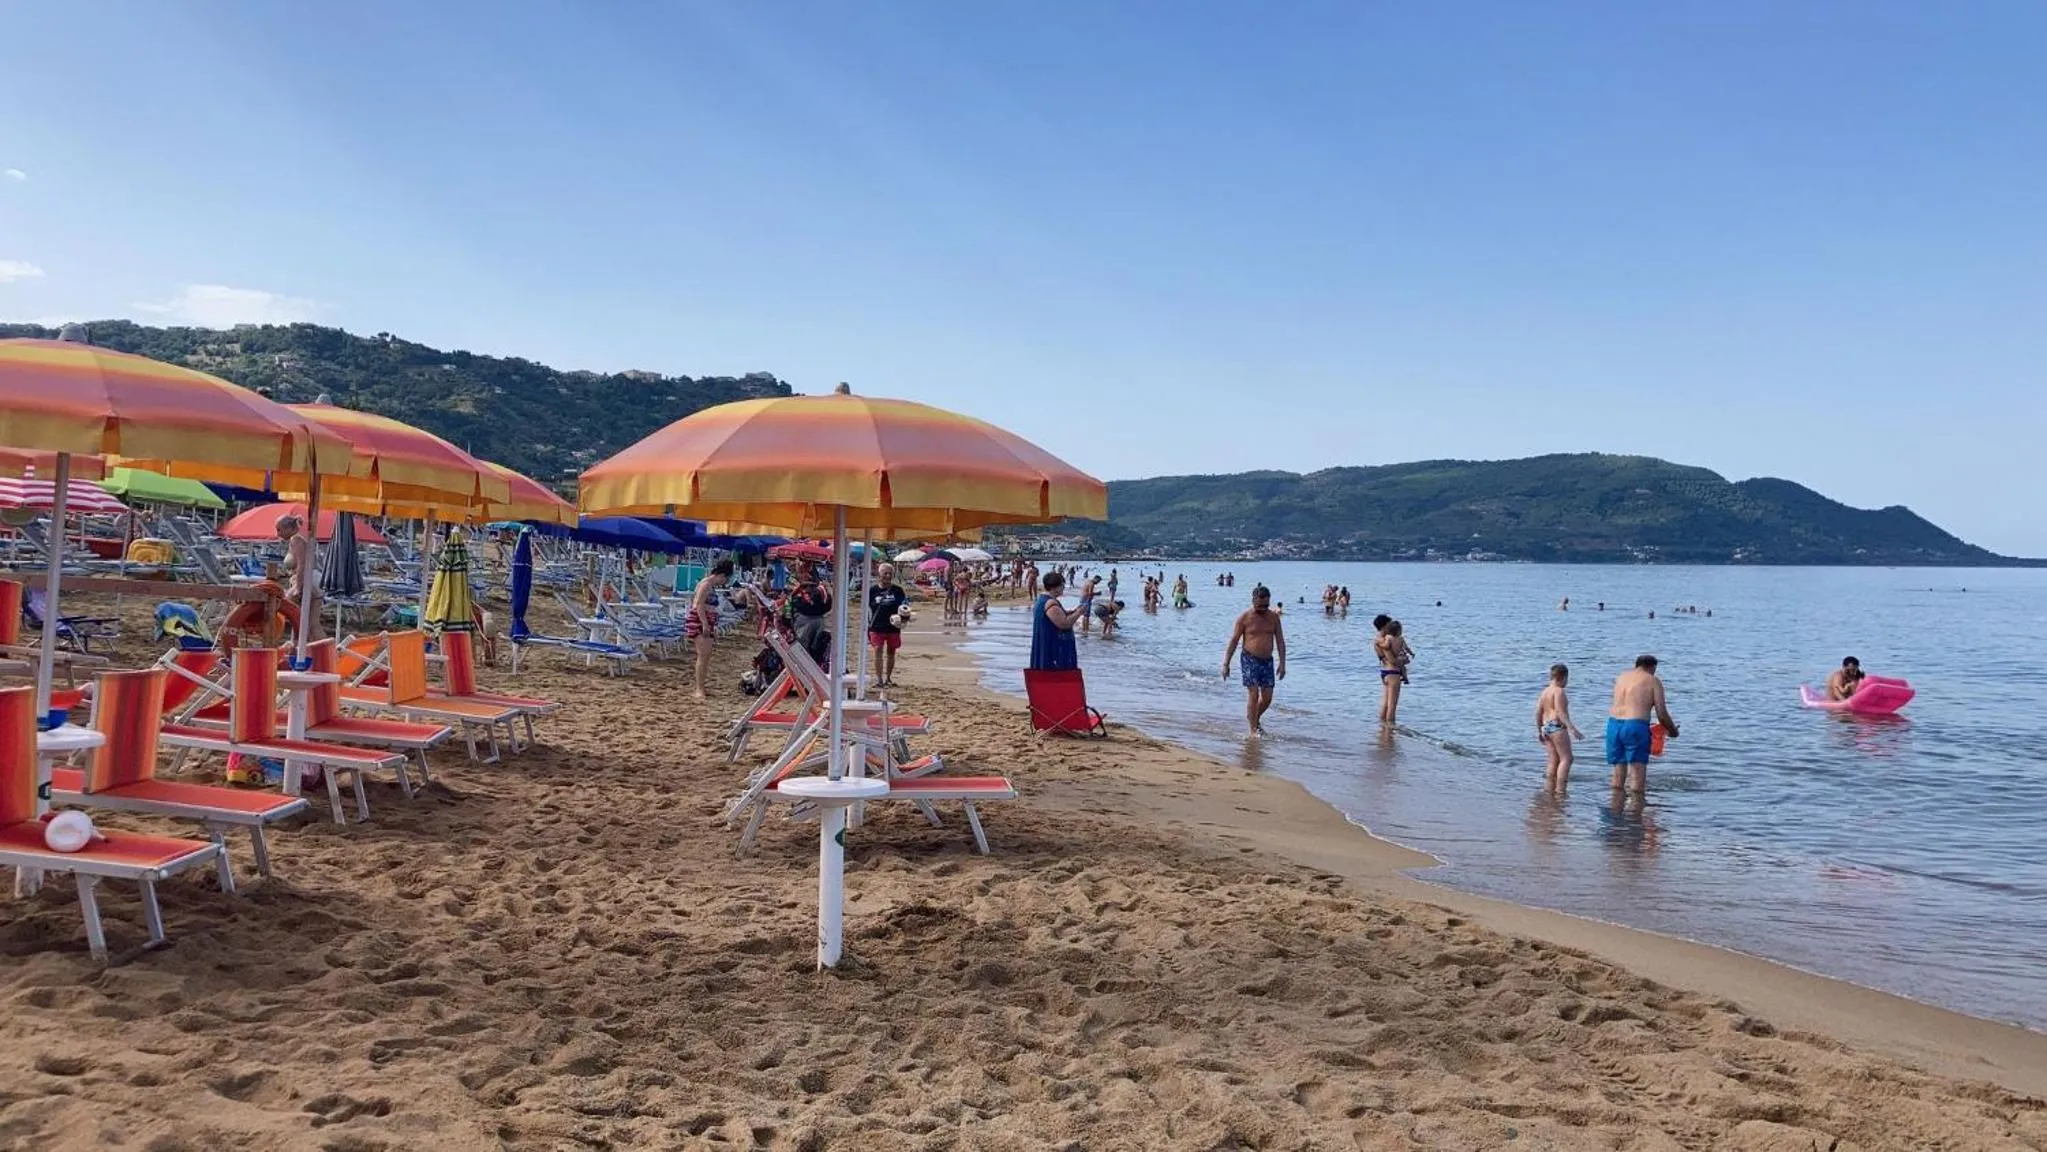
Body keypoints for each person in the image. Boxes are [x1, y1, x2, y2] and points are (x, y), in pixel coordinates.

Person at [1607, 655, 1678, 796]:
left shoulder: (1621, 678)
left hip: (1614, 725)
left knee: (1618, 772)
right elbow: (1661, 713)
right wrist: (1673, 730)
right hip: (1635, 726)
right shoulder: (1653, 681)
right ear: (1652, 667)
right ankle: (1635, 813)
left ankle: (1615, 809)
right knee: (1637, 774)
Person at [1222, 585, 1286, 736]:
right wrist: (1226, 664)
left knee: (1268, 697)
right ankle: (1252, 731)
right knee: (1253, 693)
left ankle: (1254, 717)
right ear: (1253, 601)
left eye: (1266, 605)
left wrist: (1282, 663)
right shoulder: (1244, 618)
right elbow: (1233, 641)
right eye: (1259, 606)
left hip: (1267, 661)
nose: (1263, 609)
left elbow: (1280, 642)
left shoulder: (1274, 618)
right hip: (1249, 658)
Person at [686, 559, 734, 699]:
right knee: (703, 655)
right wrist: (705, 624)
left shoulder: (711, 585)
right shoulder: (706, 584)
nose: (724, 582)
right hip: (700, 620)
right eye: (725, 578)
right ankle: (699, 689)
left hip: (707, 619)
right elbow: (699, 605)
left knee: (706, 656)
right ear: (721, 575)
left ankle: (701, 687)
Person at [1029, 572, 1092, 671]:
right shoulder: (1050, 602)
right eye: (1062, 585)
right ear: (1056, 587)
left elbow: (1053, 618)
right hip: (1054, 648)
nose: (1063, 588)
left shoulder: (1043, 600)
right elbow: (1064, 624)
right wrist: (1079, 613)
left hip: (1046, 644)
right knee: (1057, 679)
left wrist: (1070, 612)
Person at [1535, 664, 1585, 790]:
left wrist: (1539, 729)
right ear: (1563, 677)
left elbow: (1538, 712)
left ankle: (1549, 787)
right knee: (1567, 758)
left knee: (1553, 759)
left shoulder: (1544, 692)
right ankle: (1560, 789)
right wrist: (1572, 729)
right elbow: (1560, 712)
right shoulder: (1559, 691)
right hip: (1557, 726)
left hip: (1546, 726)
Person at [277, 513, 322, 642]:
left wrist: (297, 587)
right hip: (313, 581)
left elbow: (303, 564)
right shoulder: (302, 538)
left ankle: (294, 647)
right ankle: (328, 653)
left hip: (306, 582)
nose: (278, 534)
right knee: (311, 624)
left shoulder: (296, 540)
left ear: (289, 528)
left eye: (279, 529)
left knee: (295, 619)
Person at [865, 563, 911, 689]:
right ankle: (879, 680)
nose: (888, 576)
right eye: (885, 573)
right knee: (878, 651)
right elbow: (866, 609)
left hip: (893, 627)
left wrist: (905, 616)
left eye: (890, 573)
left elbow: (905, 606)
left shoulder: (898, 590)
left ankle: (888, 678)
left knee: (891, 652)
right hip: (876, 626)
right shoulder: (872, 591)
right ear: (879, 574)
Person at [787, 562, 832, 668]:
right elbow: (828, 603)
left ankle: (804, 671)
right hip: (817, 618)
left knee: (805, 648)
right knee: (814, 647)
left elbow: (790, 601)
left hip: (805, 618)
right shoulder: (820, 584)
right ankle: (808, 670)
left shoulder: (798, 583)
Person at [1373, 614, 1404, 725]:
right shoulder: (1382, 640)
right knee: (1392, 705)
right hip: (1393, 672)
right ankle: (1390, 730)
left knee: (1386, 704)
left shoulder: (1378, 639)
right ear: (1384, 626)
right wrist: (1403, 660)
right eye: (1389, 624)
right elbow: (1392, 660)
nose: (1391, 627)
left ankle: (1382, 727)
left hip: (1385, 672)